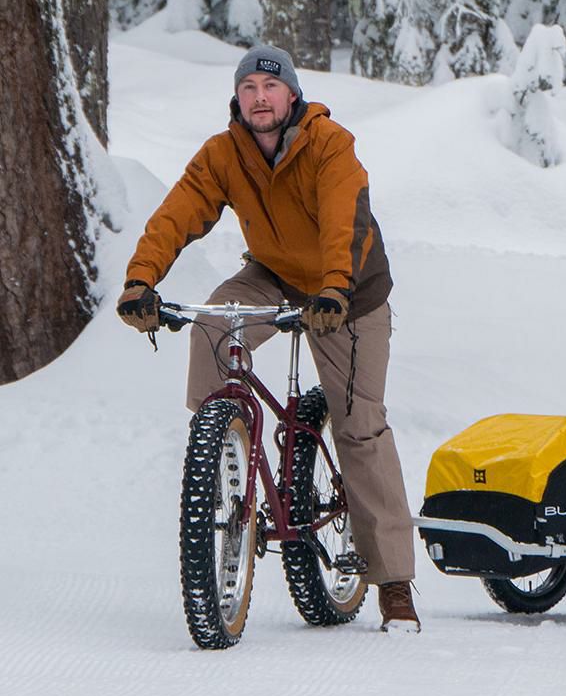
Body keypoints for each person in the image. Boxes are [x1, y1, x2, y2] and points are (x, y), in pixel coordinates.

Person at [117, 44, 419, 632]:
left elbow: (343, 221)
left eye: (271, 86)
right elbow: (177, 214)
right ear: (238, 98)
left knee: (359, 427)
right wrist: (140, 281)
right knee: (212, 327)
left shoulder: (329, 144)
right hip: (275, 275)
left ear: (292, 95)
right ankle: (224, 449)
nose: (260, 97)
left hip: (349, 292)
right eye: (249, 87)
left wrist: (334, 288)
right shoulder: (224, 153)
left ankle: (394, 584)